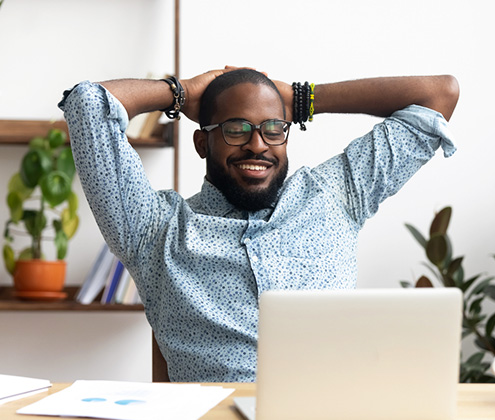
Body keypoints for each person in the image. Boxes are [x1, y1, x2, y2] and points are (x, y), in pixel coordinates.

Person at [59, 67, 459, 382]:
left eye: (273, 128)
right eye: (236, 129)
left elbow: (438, 94)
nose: (258, 144)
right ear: (202, 143)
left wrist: (299, 99)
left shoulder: (335, 194)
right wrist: (181, 94)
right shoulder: (153, 229)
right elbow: (88, 105)